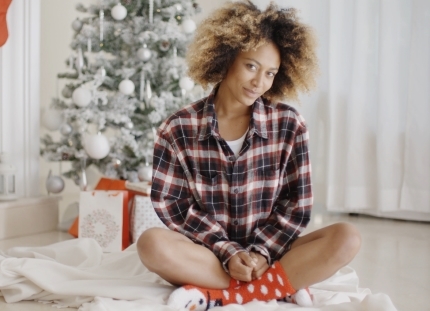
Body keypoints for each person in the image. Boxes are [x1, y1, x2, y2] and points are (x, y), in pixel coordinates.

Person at [137, 1, 361, 309]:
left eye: (271, 73)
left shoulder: (289, 124)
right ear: (226, 57)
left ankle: (222, 294)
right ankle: (277, 287)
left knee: (347, 237)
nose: (259, 83)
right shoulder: (178, 128)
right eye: (251, 66)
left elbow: (297, 206)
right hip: (209, 255)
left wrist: (260, 253)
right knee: (151, 244)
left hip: (272, 253)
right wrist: (228, 252)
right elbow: (173, 206)